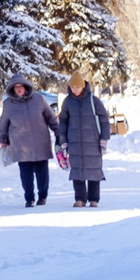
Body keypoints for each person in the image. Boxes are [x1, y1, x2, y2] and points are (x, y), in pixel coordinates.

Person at [0, 78, 59, 207]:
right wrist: (2, 139)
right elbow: (3, 123)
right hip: (21, 145)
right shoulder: (8, 104)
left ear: (26, 87)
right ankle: (29, 198)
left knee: (42, 172)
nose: (18, 88)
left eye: (21, 86)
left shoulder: (38, 99)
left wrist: (59, 132)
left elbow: (51, 118)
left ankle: (43, 196)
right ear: (12, 89)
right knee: (26, 174)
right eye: (16, 87)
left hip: (40, 141)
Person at [57, 73, 111, 207]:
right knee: (77, 170)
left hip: (93, 142)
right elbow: (63, 122)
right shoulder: (67, 102)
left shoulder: (94, 101)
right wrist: (63, 140)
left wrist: (104, 138)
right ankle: (80, 199)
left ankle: (94, 199)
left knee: (94, 170)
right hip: (74, 142)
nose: (75, 89)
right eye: (72, 87)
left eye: (77, 86)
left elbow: (104, 120)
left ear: (83, 86)